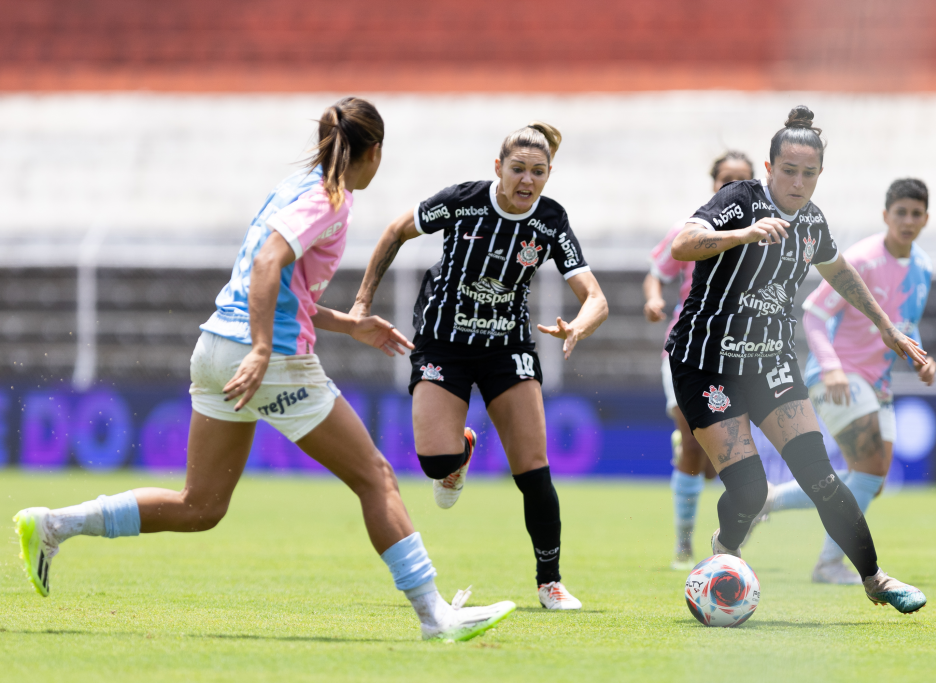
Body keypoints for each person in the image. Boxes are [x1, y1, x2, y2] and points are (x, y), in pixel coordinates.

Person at [13, 97, 515, 642]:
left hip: (212, 349)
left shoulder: (292, 189)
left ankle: (54, 524)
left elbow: (281, 285)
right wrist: (259, 349)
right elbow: (268, 264)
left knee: (199, 505)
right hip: (268, 359)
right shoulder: (329, 200)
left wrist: (349, 325)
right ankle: (433, 616)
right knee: (376, 478)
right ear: (374, 152)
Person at [667, 105, 928, 613]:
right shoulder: (739, 200)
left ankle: (875, 579)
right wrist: (740, 235)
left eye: (809, 173)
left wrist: (886, 326)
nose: (798, 182)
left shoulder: (811, 222)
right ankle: (724, 552)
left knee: (822, 478)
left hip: (771, 366)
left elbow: (840, 273)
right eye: (788, 170)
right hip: (706, 365)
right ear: (768, 169)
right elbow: (682, 244)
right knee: (749, 488)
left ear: (820, 175)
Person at [350, 122, 608, 611]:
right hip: (444, 344)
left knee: (533, 472)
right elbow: (394, 231)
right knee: (435, 463)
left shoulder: (550, 221)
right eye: (518, 170)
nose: (527, 181)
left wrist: (579, 324)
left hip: (507, 349)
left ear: (549, 173)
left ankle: (549, 582)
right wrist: (362, 303)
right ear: (498, 168)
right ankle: (459, 456)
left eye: (538, 171)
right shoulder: (463, 200)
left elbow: (595, 297)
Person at [755, 178, 935, 584]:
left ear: (926, 218)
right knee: (869, 470)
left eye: (916, 213)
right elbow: (814, 312)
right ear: (885, 215)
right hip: (837, 376)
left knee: (870, 479)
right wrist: (831, 365)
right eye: (900, 212)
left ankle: (771, 502)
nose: (908, 221)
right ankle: (831, 564)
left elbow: (906, 325)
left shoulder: (923, 266)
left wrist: (921, 358)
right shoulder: (863, 259)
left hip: (878, 385)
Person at [644, 151, 755, 571]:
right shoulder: (690, 230)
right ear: (713, 184)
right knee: (693, 444)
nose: (732, 188)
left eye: (741, 181)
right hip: (688, 350)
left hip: (737, 356)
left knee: (715, 463)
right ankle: (684, 547)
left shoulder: (763, 236)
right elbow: (657, 269)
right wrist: (654, 297)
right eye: (725, 180)